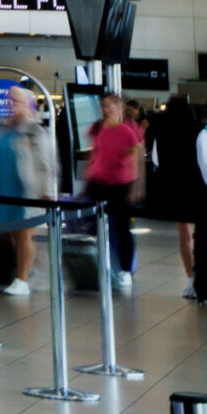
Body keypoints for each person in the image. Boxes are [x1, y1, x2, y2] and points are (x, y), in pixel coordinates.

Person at [147, 92, 207, 297]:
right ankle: (206, 279)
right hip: (197, 191)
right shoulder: (197, 131)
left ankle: (191, 280)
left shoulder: (161, 132)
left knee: (185, 236)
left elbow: (156, 160)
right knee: (204, 235)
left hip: (175, 191)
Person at [0, 87, 54, 295]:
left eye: (15, 100)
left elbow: (45, 162)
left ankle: (22, 279)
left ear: (26, 103)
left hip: (23, 189)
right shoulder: (4, 128)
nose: (11, 104)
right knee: (3, 234)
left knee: (23, 234)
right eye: (9, 100)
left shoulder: (33, 129)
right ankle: (32, 266)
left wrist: (48, 191)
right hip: (0, 188)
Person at [83, 95, 144, 292]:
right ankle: (97, 265)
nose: (106, 109)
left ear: (120, 108)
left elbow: (134, 161)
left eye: (110, 105)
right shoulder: (98, 128)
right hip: (98, 183)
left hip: (119, 184)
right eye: (104, 106)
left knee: (121, 227)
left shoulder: (127, 132)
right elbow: (94, 154)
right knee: (93, 227)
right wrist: (87, 180)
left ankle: (125, 269)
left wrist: (135, 188)